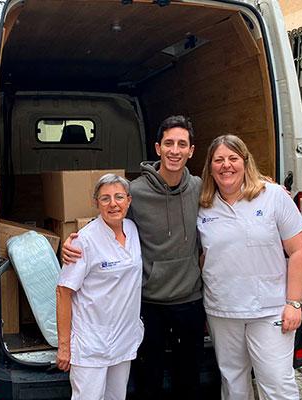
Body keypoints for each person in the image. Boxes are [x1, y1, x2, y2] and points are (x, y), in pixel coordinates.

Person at [62, 116, 205, 400]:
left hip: (189, 300)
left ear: (191, 150)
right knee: (147, 381)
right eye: (168, 143)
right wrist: (73, 239)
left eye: (182, 144)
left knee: (189, 381)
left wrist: (266, 186)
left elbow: (232, 190)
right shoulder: (135, 191)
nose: (175, 150)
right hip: (149, 303)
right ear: (158, 148)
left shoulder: (200, 188)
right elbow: (110, 211)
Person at [197, 134, 302, 400]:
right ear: (210, 167)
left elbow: (299, 250)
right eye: (219, 160)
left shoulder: (272, 196)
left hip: (269, 310)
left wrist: (294, 303)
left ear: (245, 162)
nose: (226, 165)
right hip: (222, 310)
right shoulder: (202, 203)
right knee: (233, 383)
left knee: (277, 385)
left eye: (233, 158)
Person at [56, 174, 144, 400]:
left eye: (119, 197)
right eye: (105, 199)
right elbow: (63, 291)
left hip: (123, 340)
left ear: (129, 201)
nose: (113, 203)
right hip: (91, 343)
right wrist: (64, 346)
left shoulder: (133, 230)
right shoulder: (82, 241)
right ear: (96, 204)